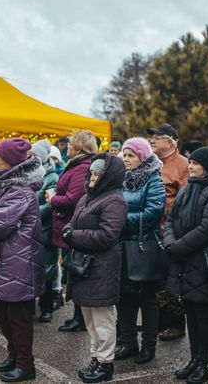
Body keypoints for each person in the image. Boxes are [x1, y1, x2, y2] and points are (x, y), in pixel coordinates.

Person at [0, 138, 44, 383]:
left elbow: (0, 225)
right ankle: (14, 355)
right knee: (4, 314)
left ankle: (26, 365)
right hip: (5, 259)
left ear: (9, 161)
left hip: (19, 261)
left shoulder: (20, 191)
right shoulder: (5, 186)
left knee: (18, 318)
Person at [163, 145, 208, 383]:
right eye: (190, 163)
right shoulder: (188, 189)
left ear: (207, 167)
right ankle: (193, 360)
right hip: (182, 260)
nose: (190, 166)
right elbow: (171, 219)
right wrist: (170, 242)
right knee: (190, 311)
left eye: (195, 163)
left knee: (201, 312)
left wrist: (177, 247)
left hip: (201, 262)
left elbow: (207, 229)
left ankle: (204, 364)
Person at [64, 154, 127, 383]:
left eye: (98, 172)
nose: (92, 175)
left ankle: (105, 363)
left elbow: (108, 236)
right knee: (90, 318)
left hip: (101, 268)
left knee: (103, 319)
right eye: (92, 171)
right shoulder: (88, 197)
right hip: (85, 268)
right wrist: (69, 230)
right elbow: (74, 221)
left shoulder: (114, 200)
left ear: (108, 176)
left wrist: (73, 235)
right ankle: (95, 358)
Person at [115, 137, 166, 364]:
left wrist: (120, 220)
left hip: (143, 246)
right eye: (124, 155)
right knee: (124, 297)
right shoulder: (121, 179)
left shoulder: (154, 180)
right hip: (121, 246)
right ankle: (128, 342)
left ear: (142, 157)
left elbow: (154, 212)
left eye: (131, 155)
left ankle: (148, 346)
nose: (126, 159)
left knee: (147, 299)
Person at [49, 130, 98, 332]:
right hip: (69, 224)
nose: (66, 147)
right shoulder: (79, 165)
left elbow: (73, 198)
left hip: (73, 227)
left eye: (70, 144)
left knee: (76, 271)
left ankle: (80, 318)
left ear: (78, 147)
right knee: (73, 272)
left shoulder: (81, 167)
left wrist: (52, 198)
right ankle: (78, 316)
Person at [147, 123, 189, 341]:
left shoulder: (182, 165)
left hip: (170, 230)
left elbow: (185, 200)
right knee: (156, 277)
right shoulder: (152, 163)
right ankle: (159, 321)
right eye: (151, 137)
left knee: (171, 279)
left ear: (170, 141)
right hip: (151, 230)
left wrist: (173, 226)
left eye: (157, 137)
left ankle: (175, 324)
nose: (152, 140)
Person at [30, 139, 60, 323]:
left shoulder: (52, 177)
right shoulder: (26, 174)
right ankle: (29, 305)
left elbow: (50, 205)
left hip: (46, 229)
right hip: (28, 230)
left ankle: (47, 307)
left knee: (47, 270)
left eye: (34, 155)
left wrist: (29, 212)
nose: (30, 158)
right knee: (29, 270)